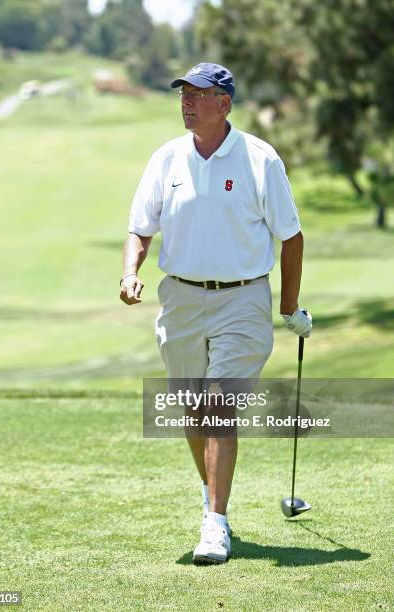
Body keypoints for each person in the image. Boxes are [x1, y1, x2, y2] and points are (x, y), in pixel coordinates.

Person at [120, 63, 312, 564]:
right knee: (191, 409)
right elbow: (140, 228)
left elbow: (291, 239)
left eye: (198, 94)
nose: (186, 101)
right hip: (181, 299)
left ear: (224, 103)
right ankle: (214, 502)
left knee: (216, 403)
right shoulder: (166, 158)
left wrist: (288, 307)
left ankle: (214, 524)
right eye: (183, 93)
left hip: (242, 300)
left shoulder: (259, 159)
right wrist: (129, 272)